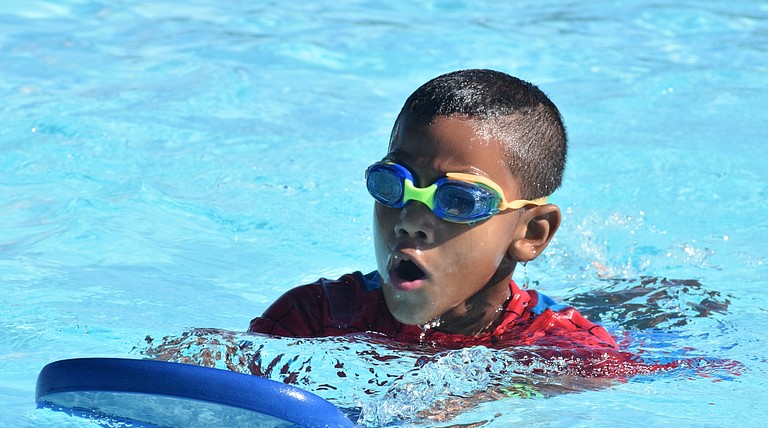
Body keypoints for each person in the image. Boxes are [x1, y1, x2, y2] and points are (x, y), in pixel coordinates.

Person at [249, 69, 658, 381]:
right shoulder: (315, 318)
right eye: (392, 186)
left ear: (531, 233)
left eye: (458, 200)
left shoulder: (565, 350)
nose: (411, 222)